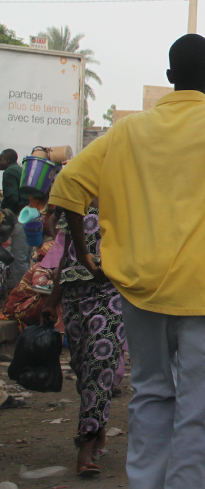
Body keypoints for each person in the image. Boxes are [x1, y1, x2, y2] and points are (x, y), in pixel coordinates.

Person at [48, 34, 205, 488]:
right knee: (201, 406)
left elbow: (68, 187)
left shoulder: (130, 131)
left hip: (139, 290)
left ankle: (146, 482)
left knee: (151, 393)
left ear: (170, 77)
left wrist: (83, 252)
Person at [42, 203, 127, 476]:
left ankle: (86, 447)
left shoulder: (128, 201)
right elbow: (65, 256)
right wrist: (51, 302)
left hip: (110, 292)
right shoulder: (76, 206)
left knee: (100, 365)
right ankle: (99, 429)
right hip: (74, 297)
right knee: (83, 369)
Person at [0, 149, 30, 289]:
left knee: (18, 258)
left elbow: (11, 197)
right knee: (25, 257)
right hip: (29, 215)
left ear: (6, 161)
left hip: (20, 216)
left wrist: (4, 208)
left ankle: (20, 292)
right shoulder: (19, 169)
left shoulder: (9, 172)